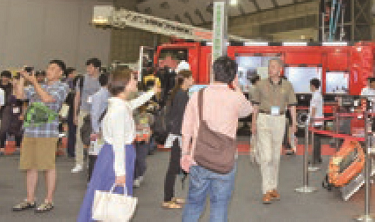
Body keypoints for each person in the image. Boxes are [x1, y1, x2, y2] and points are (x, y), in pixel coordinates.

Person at [78, 66, 157, 222]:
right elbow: (119, 144)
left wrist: (151, 92)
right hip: (117, 156)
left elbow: (133, 104)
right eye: (133, 79)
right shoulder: (119, 110)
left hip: (114, 155)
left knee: (104, 196)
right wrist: (120, 172)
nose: (136, 81)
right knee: (111, 198)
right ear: (125, 83)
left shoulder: (120, 105)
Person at [182, 57, 254, 222]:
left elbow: (186, 128)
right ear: (233, 76)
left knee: (194, 205)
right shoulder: (235, 98)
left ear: (213, 72)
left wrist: (185, 153)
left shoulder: (197, 96)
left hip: (199, 158)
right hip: (225, 161)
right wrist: (237, 88)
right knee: (219, 206)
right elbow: (248, 110)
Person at [13, 61, 70, 213]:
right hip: (30, 131)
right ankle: (30, 199)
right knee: (30, 166)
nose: (49, 70)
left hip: (47, 132)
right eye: (48, 68)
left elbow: (47, 99)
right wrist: (22, 78)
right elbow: (20, 95)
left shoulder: (62, 87)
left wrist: (33, 82)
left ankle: (48, 200)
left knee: (48, 166)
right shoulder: (39, 85)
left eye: (53, 69)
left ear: (60, 73)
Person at [247, 59, 292, 204]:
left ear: (280, 69)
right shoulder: (260, 85)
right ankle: (266, 190)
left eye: (273, 66)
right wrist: (253, 122)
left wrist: (294, 124)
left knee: (275, 157)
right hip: (264, 119)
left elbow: (292, 105)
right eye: (269, 66)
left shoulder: (287, 85)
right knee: (266, 157)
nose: (270, 69)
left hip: (280, 119)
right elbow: (255, 105)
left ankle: (273, 187)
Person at [159, 70, 193, 209]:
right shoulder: (181, 95)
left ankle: (171, 196)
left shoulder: (179, 93)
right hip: (177, 135)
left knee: (174, 166)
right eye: (191, 77)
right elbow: (183, 117)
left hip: (177, 134)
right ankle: (167, 199)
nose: (193, 80)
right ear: (185, 79)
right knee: (173, 167)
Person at [81, 59, 107, 175]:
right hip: (98, 129)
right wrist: (96, 130)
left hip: (103, 128)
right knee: (95, 154)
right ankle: (91, 177)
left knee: (99, 154)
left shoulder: (108, 94)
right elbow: (95, 114)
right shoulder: (99, 95)